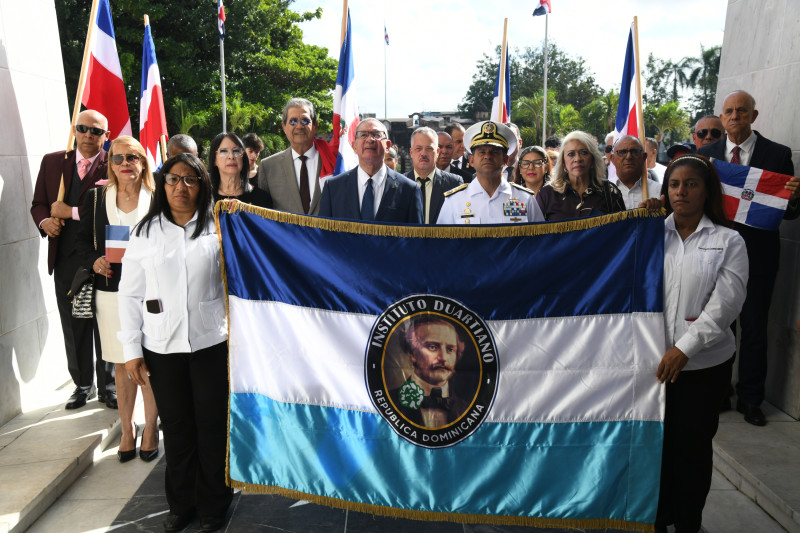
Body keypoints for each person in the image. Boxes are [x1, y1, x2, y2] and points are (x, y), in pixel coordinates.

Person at [119, 153, 232, 532]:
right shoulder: (145, 232)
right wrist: (131, 350)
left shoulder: (220, 228)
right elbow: (129, 295)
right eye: (172, 179)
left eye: (190, 180)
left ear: (203, 185)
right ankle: (181, 504)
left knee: (212, 427)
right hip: (162, 347)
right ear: (162, 183)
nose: (180, 188)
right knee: (179, 429)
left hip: (211, 345)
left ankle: (215, 504)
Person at [655, 154, 748, 533]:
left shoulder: (729, 241)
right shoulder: (649, 235)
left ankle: (689, 523)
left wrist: (685, 348)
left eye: (691, 184)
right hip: (654, 366)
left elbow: (726, 305)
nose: (682, 191)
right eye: (675, 184)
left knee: (692, 449)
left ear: (707, 190)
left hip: (703, 367)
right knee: (657, 450)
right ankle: (658, 519)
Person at [698, 90, 800, 426]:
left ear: (753, 116)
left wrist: (795, 197)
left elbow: (787, 213)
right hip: (717, 258)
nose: (734, 117)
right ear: (722, 116)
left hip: (759, 257)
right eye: (728, 111)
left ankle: (751, 398)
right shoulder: (709, 155)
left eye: (742, 111)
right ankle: (718, 393)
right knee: (719, 327)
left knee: (755, 328)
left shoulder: (777, 154)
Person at [75, 136, 159, 462]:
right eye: (119, 158)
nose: (125, 164)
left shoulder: (158, 198)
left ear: (143, 162)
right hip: (110, 294)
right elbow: (80, 243)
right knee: (123, 365)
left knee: (149, 363)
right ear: (109, 164)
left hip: (153, 294)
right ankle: (128, 429)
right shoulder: (96, 198)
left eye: (132, 158)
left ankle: (150, 429)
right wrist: (94, 260)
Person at [30, 109, 115, 410]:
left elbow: (114, 207)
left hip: (104, 257)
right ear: (74, 130)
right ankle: (82, 384)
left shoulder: (114, 164)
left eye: (97, 131)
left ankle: (109, 385)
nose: (89, 135)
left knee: (106, 320)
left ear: (106, 136)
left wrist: (71, 212)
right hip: (66, 258)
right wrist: (45, 223)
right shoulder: (53, 162)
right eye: (83, 128)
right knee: (74, 321)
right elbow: (39, 204)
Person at [437, 121, 544, 224]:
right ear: (471, 160)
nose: (487, 156)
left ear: (505, 160)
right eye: (482, 152)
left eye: (494, 152)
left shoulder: (525, 199)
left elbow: (540, 240)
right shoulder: (454, 201)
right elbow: (443, 242)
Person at [319, 118, 423, 223]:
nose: (370, 139)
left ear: (387, 146)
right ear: (354, 146)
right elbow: (324, 235)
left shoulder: (409, 190)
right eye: (363, 135)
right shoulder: (333, 188)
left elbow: (416, 238)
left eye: (376, 135)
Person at [257, 97, 336, 215]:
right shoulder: (268, 166)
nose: (299, 126)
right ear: (284, 127)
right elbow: (261, 214)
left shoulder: (334, 161)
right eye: (293, 121)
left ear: (315, 126)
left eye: (305, 121)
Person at [389, 316, 469, 428]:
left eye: (450, 349)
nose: (443, 358)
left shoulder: (467, 408)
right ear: (412, 354)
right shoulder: (389, 402)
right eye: (432, 347)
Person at [536, 130, 625, 221]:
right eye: (571, 154)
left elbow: (623, 231)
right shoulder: (547, 194)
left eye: (584, 153)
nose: (577, 159)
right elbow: (536, 233)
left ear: (593, 159)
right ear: (563, 161)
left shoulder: (609, 192)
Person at [405, 127, 462, 224]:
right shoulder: (400, 184)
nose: (423, 153)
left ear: (437, 152)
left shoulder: (454, 183)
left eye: (429, 149)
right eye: (418, 149)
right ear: (411, 152)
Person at [208, 132, 270, 208]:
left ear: (243, 158)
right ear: (214, 160)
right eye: (224, 151)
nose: (231, 156)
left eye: (236, 151)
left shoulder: (262, 198)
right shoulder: (205, 198)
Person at [610, 135, 661, 209]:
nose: (628, 157)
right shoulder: (603, 193)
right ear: (612, 158)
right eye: (622, 152)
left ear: (644, 157)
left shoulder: (658, 191)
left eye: (635, 152)